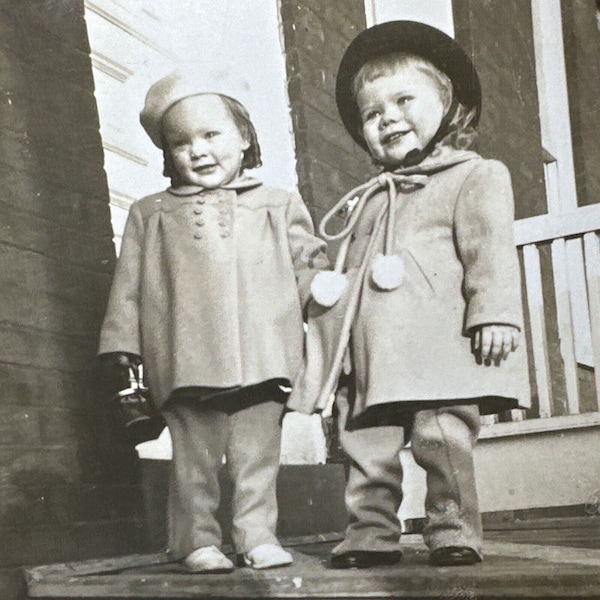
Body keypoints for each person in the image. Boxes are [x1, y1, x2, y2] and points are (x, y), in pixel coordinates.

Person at [288, 21, 530, 569]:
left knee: (443, 441)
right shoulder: (371, 198)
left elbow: (489, 250)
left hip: (439, 343)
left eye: (403, 100)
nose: (387, 117)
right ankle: (370, 534)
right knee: (365, 446)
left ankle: (453, 529)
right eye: (372, 114)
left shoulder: (476, 175)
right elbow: (350, 269)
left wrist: (494, 314)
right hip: (374, 353)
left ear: (448, 105)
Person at [98, 71, 329, 573]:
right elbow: (129, 288)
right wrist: (122, 346)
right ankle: (195, 539)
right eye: (180, 142)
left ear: (244, 137)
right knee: (193, 458)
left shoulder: (278, 203)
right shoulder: (150, 213)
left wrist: (322, 288)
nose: (197, 150)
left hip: (262, 352)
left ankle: (256, 535)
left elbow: (307, 264)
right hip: (184, 356)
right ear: (167, 153)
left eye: (211, 135)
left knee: (256, 456)